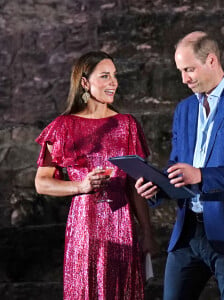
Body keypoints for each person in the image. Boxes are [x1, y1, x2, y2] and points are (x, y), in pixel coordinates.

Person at [135, 32, 224, 300]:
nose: (184, 78)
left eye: (189, 69)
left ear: (211, 60)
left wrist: (200, 176)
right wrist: (157, 187)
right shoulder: (184, 109)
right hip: (188, 233)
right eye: (180, 71)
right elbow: (177, 165)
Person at [35, 51, 157, 300]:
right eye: (105, 76)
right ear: (84, 82)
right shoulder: (62, 127)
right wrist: (80, 186)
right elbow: (42, 182)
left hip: (122, 228)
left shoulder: (127, 124)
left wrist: (146, 231)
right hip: (84, 230)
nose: (114, 82)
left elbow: (135, 185)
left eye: (114, 76)